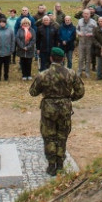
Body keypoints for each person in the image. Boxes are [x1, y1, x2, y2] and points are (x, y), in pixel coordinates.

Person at [29, 47, 85, 176]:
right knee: (62, 136)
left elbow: (33, 92)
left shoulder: (43, 75)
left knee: (49, 137)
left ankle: (51, 165)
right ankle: (60, 164)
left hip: (48, 109)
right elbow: (80, 91)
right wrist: (70, 98)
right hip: (65, 108)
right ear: (63, 59)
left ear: (51, 58)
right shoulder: (71, 74)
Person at [0, 16, 15, 81]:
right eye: (1, 22)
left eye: (3, 22)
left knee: (6, 66)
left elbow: (13, 40)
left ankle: (6, 77)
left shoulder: (10, 30)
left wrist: (12, 49)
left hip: (7, 51)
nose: (2, 24)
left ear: (5, 23)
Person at [76, 11, 97, 78]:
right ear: (82, 14)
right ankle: (79, 72)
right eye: (84, 14)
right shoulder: (79, 21)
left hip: (89, 42)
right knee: (81, 58)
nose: (86, 15)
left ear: (90, 14)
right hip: (81, 42)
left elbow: (96, 31)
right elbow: (77, 29)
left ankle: (87, 72)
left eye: (87, 14)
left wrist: (91, 34)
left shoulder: (93, 22)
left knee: (88, 58)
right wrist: (79, 33)